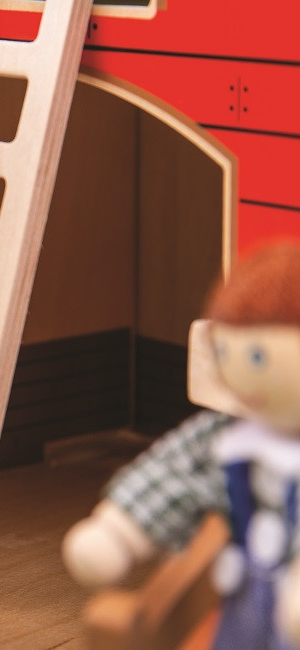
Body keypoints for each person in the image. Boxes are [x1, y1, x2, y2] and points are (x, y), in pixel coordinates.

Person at [62, 243, 300, 649]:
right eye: (224, 352)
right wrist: (119, 530)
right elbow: (174, 473)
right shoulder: (228, 437)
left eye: (258, 359)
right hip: (244, 601)